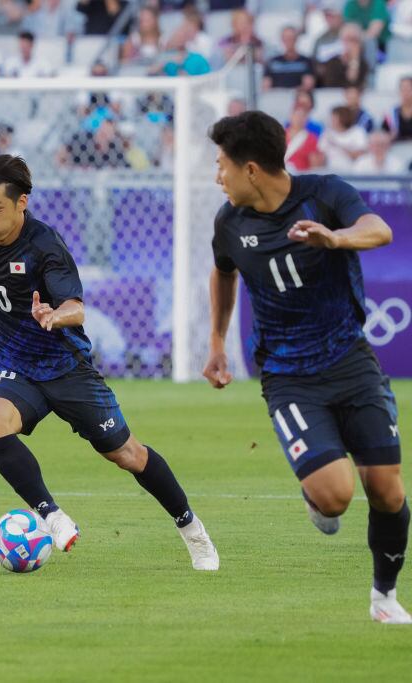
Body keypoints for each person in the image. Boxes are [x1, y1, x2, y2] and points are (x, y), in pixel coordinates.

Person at [0, 154, 219, 571]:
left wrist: (53, 316)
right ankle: (52, 516)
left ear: (21, 202)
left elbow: (76, 308)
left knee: (128, 455)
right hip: (17, 367)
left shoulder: (45, 245)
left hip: (67, 367)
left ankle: (192, 529)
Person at [204, 111, 408, 624]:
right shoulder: (230, 222)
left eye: (222, 165)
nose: (218, 176)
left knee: (387, 491)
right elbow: (223, 273)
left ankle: (384, 598)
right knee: (336, 498)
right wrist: (217, 341)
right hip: (289, 375)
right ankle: (315, 493)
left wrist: (336, 239)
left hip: (351, 361)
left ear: (252, 169)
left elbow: (378, 229)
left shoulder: (325, 194)